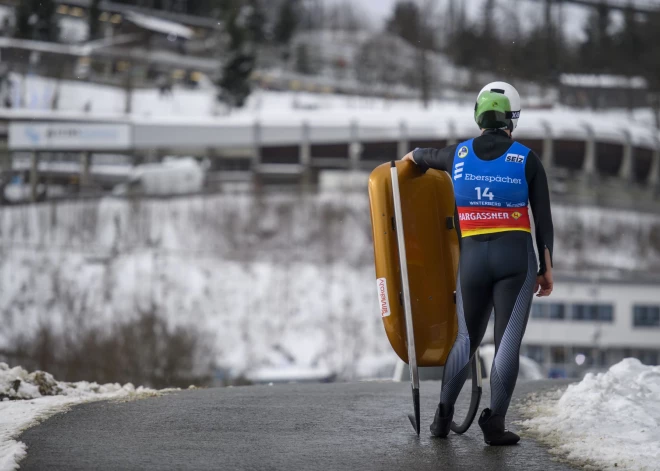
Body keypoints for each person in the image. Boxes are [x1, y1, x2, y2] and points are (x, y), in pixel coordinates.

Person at [401, 81, 554, 446]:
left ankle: (441, 419)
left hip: (472, 260)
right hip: (515, 260)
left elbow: (419, 156)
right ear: (512, 119)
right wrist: (547, 268)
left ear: (478, 115)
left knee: (464, 340)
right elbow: (543, 220)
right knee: (506, 343)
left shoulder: (458, 155)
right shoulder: (526, 159)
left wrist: (410, 159)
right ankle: (495, 424)